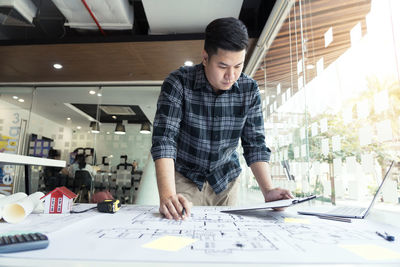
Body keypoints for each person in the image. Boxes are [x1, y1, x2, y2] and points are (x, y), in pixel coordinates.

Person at [151, 17, 293, 221]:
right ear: (205, 58)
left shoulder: (249, 89)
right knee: (179, 232)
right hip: (184, 178)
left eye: (238, 66)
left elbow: (255, 144)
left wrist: (268, 190)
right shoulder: (178, 83)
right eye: (223, 66)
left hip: (225, 181)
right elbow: (164, 140)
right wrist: (167, 196)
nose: (231, 75)